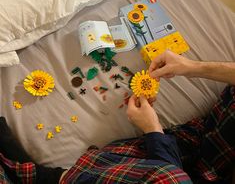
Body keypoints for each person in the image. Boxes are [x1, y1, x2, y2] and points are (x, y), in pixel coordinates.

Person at [0, 50, 234, 183]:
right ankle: (44, 176)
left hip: (185, 172)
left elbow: (168, 177)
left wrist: (153, 129)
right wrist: (193, 67)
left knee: (167, 175)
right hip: (200, 142)